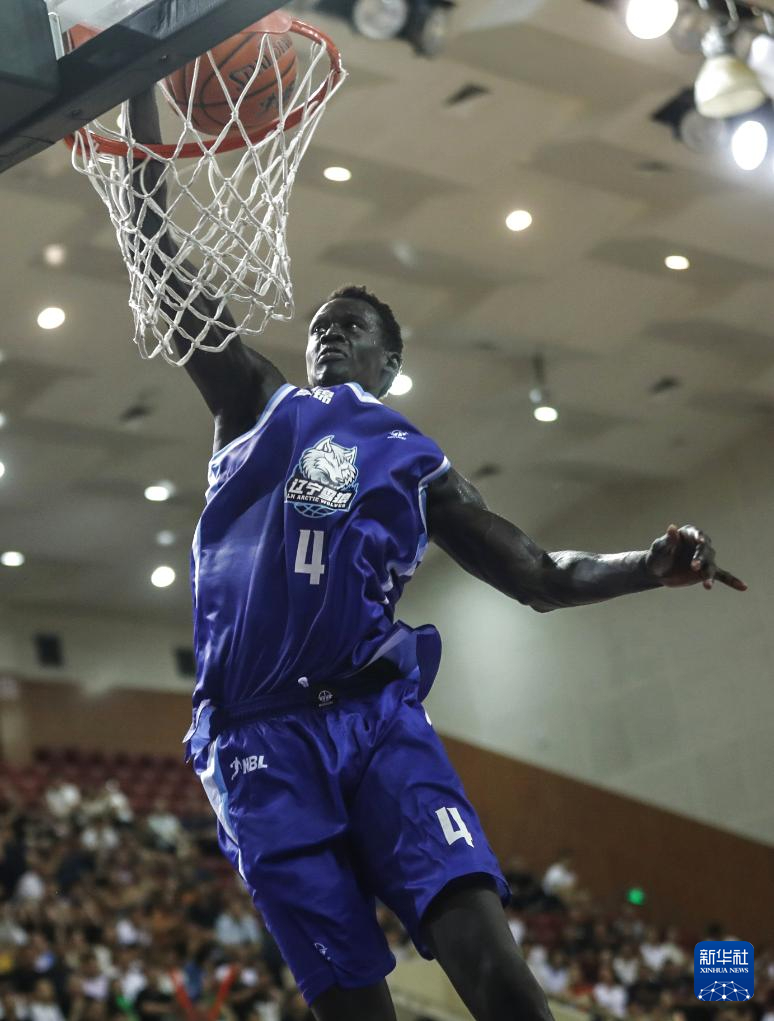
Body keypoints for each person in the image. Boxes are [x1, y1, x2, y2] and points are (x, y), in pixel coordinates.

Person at [124, 87, 746, 1021]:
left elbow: (539, 575)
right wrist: (141, 95)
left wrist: (648, 566)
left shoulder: (417, 465)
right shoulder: (258, 405)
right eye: (321, 324)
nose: (330, 332)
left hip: (376, 721)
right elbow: (160, 258)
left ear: (389, 365)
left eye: (353, 326)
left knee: (499, 977)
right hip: (258, 741)